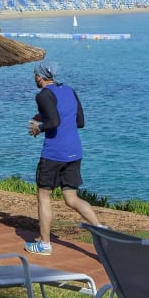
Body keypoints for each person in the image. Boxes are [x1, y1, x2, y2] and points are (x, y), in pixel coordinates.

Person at [24, 61, 103, 255]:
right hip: (74, 151)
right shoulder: (69, 90)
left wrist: (38, 127)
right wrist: (44, 117)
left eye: (35, 75)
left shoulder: (43, 95)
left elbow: (54, 121)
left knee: (44, 196)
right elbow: (80, 122)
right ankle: (101, 231)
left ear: (40, 77)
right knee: (71, 197)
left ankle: (44, 244)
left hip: (54, 153)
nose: (35, 78)